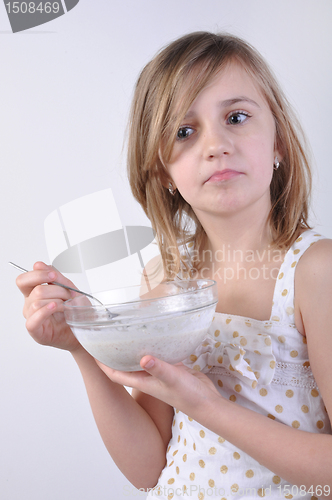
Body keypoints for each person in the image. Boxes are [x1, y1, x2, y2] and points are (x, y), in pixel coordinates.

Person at [16, 32, 332, 499]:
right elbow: (149, 468)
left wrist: (207, 407)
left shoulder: (315, 272)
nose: (216, 144)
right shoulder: (165, 281)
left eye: (236, 117)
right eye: (184, 131)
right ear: (163, 170)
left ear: (279, 142)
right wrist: (81, 345)